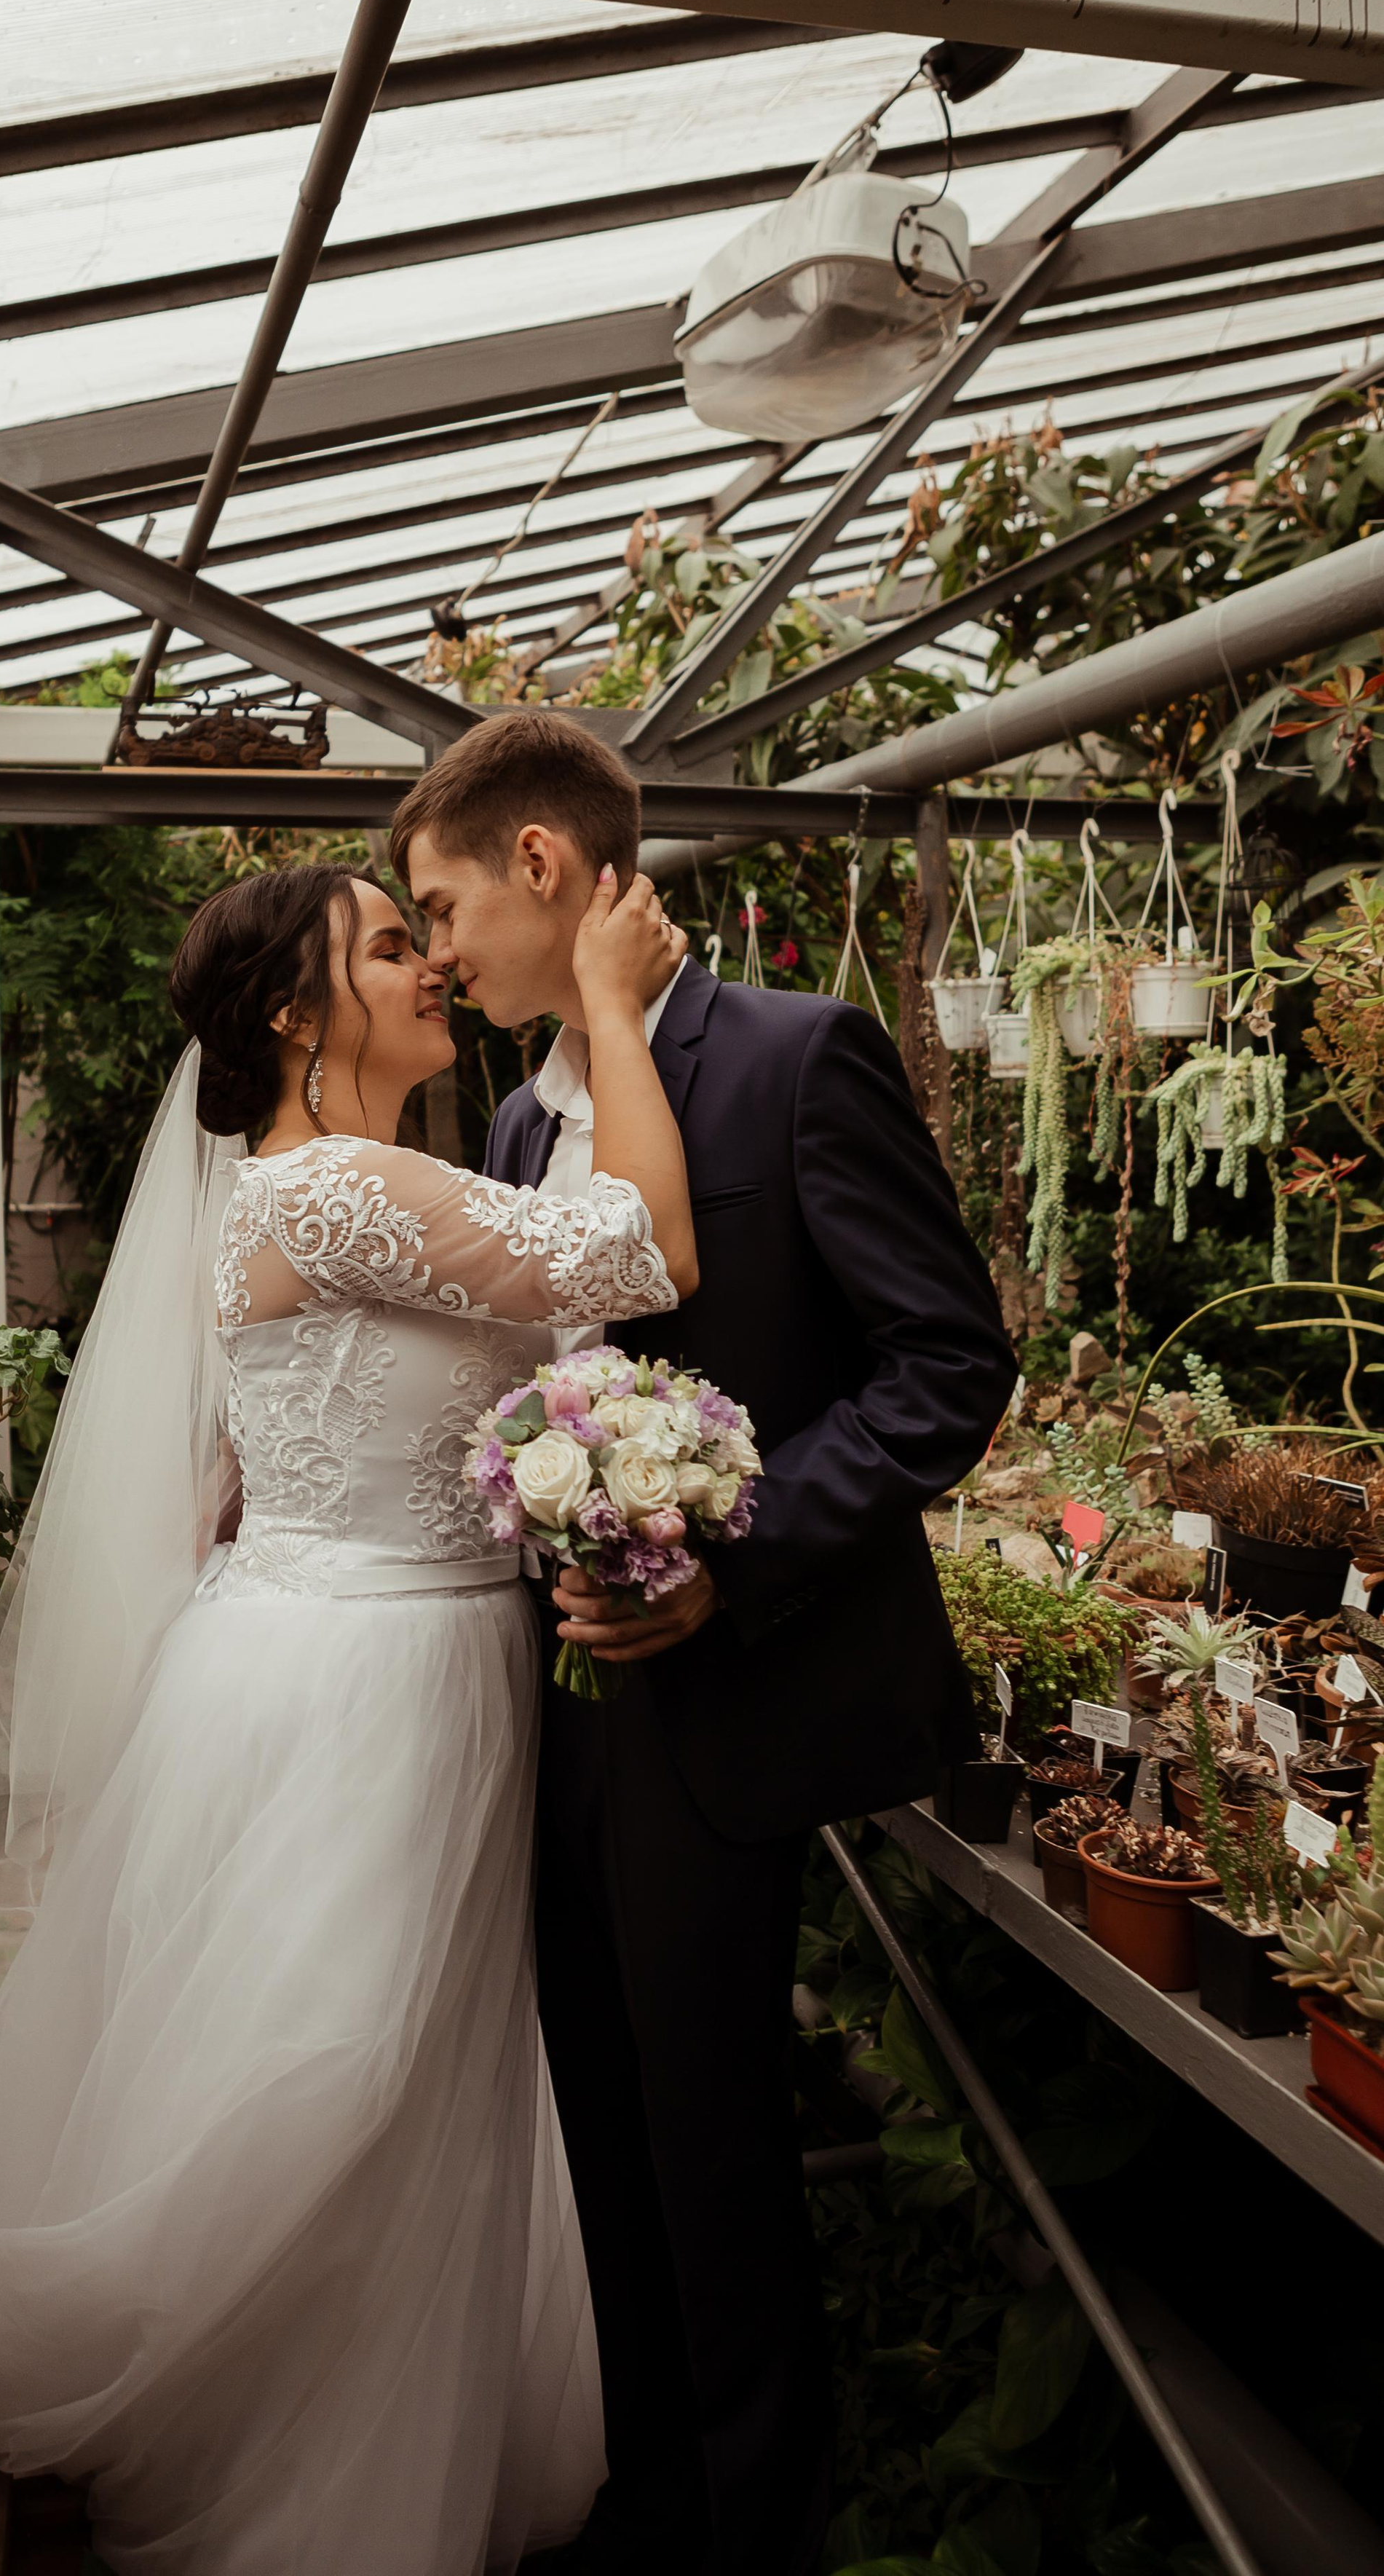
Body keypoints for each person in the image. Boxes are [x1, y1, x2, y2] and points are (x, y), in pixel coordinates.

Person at [0, 855, 694, 2573]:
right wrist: (609, 1007)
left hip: (384, 1654)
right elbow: (641, 1252)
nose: (429, 961)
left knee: (414, 2078)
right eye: (384, 943)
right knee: (338, 2076)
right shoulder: (332, 1188)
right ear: (295, 1013)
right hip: (364, 1683)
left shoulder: (347, 1182)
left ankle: (367, 2450)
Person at [392, 714, 1019, 2576]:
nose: (433, 959)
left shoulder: (796, 1056)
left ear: (541, 867)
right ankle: (645, 2491)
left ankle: (753, 2528)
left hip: (739, 1694)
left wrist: (722, 1570)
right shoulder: (514, 1118)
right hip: (565, 1713)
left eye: (441, 908)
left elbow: (944, 1369)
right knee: (598, 2112)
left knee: (714, 2147)